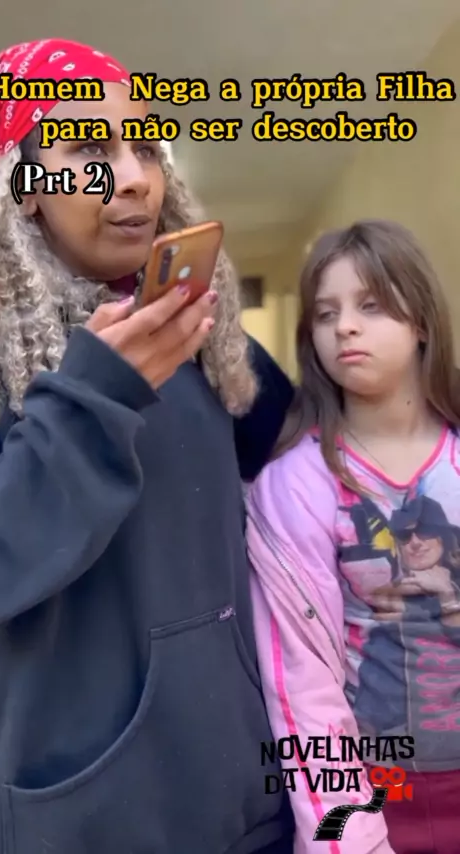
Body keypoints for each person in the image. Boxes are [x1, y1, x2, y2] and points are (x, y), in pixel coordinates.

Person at [0, 39, 296, 854]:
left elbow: (304, 467)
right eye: (90, 152)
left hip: (245, 812)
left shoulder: (201, 341)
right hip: (77, 825)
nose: (134, 178)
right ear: (24, 188)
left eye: (146, 148)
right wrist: (96, 396)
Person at [246, 219, 460, 854]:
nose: (344, 327)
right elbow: (301, 688)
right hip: (375, 793)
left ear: (421, 320)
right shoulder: (295, 485)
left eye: (371, 305)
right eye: (326, 313)